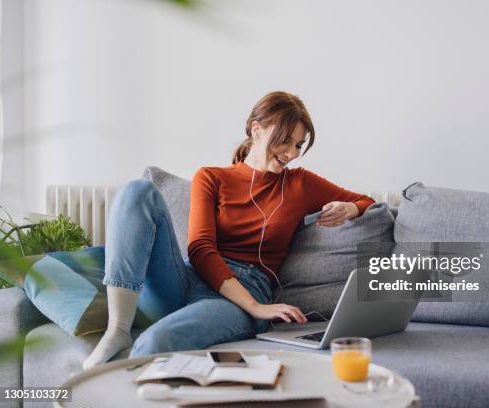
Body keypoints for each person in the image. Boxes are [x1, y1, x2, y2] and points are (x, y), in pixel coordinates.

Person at [83, 91, 375, 370]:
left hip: (244, 292)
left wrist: (349, 209)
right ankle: (118, 328)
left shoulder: (301, 183)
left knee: (155, 342)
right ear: (256, 129)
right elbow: (200, 249)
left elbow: (366, 200)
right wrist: (255, 307)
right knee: (137, 191)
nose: (292, 153)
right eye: (285, 140)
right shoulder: (211, 177)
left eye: (299, 144)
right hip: (188, 279)